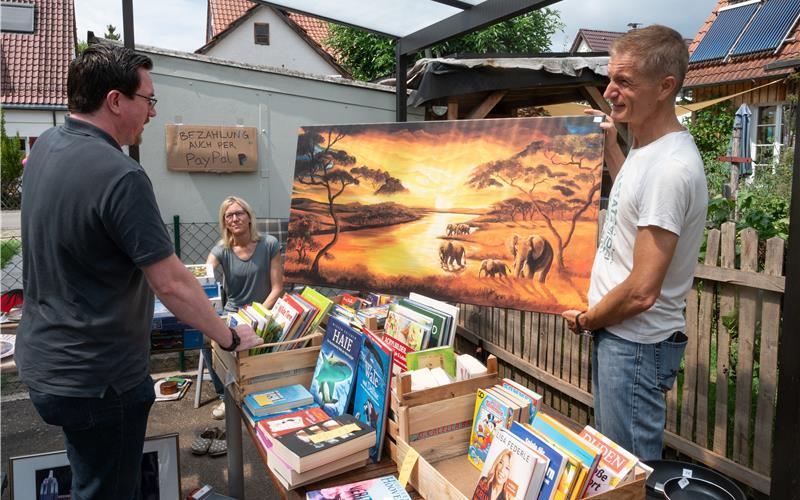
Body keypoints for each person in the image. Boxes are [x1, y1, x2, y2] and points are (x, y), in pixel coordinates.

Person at [16, 44, 261, 499]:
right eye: (148, 99)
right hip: (99, 378)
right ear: (115, 100)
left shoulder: (46, 146)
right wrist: (228, 336)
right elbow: (170, 282)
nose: (152, 112)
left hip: (48, 363)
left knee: (90, 477)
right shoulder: (120, 175)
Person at [561, 25, 708, 462]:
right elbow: (634, 192)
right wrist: (612, 148)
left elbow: (642, 291)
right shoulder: (648, 151)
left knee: (628, 470)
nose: (610, 92)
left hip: (634, 346)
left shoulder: (670, 169)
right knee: (616, 462)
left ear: (665, 87)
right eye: (611, 79)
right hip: (624, 340)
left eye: (624, 81)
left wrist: (587, 320)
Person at [202, 195, 284, 419]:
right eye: (229, 215)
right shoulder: (221, 250)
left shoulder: (269, 244)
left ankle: (262, 391)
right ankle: (225, 395)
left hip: (265, 310)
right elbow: (204, 274)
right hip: (233, 312)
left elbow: (277, 288)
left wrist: (256, 315)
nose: (235, 218)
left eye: (239, 213)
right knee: (207, 338)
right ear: (225, 222)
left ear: (249, 217)